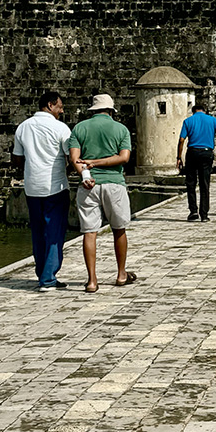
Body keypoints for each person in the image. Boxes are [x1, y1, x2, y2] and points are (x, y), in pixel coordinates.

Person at [68, 94, 135, 293]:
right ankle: (121, 274)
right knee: (119, 229)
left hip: (89, 185)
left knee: (89, 232)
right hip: (114, 184)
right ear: (111, 111)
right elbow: (124, 158)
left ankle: (92, 280)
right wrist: (100, 162)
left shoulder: (80, 128)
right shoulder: (121, 129)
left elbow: (75, 159)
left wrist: (86, 174)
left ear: (92, 110)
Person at [12, 90, 73, 291]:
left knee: (38, 232)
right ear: (49, 105)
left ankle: (42, 272)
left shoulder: (23, 127)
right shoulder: (60, 128)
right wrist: (67, 171)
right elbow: (70, 156)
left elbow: (18, 159)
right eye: (60, 107)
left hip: (32, 187)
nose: (61, 111)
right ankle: (48, 278)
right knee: (54, 231)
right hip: (55, 186)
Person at [177, 103, 216, 222]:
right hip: (206, 153)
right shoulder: (212, 120)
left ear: (193, 111)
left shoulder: (188, 121)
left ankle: (193, 211)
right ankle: (204, 214)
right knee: (205, 183)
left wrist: (179, 157)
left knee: (191, 182)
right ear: (205, 110)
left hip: (192, 152)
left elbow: (182, 140)